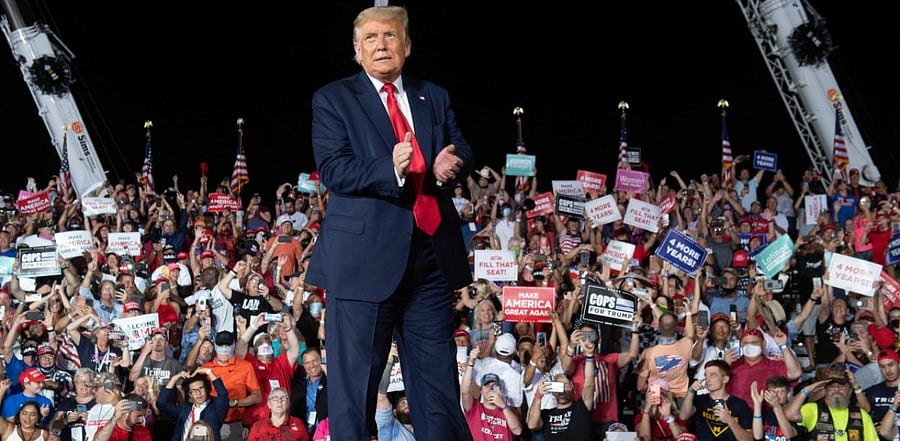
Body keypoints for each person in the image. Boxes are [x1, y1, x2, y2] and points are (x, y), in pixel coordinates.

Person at [307, 5, 474, 440]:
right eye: (371, 38)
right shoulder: (333, 98)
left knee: (439, 388)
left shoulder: (433, 95)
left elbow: (463, 148)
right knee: (356, 391)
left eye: (391, 36)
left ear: (408, 45)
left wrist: (450, 160)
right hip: (362, 265)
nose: (382, 45)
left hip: (430, 259)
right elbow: (333, 169)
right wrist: (391, 169)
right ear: (357, 50)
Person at [785, 365, 879, 441]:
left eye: (841, 386)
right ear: (825, 390)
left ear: (850, 390)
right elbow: (790, 414)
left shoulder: (861, 415)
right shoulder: (813, 409)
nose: (837, 390)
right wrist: (807, 390)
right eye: (832, 386)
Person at [678, 360, 753, 441]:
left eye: (712, 375)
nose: (707, 379)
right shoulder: (700, 400)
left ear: (725, 379)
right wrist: (691, 391)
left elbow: (748, 439)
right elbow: (683, 416)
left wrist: (731, 421)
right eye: (706, 375)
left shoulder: (740, 405)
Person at [157, 368, 228, 441]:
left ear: (206, 389)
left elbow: (223, 395)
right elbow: (161, 403)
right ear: (190, 395)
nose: (198, 393)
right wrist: (174, 379)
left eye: (201, 388)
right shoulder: (184, 409)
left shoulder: (215, 409)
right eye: (193, 391)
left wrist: (209, 372)